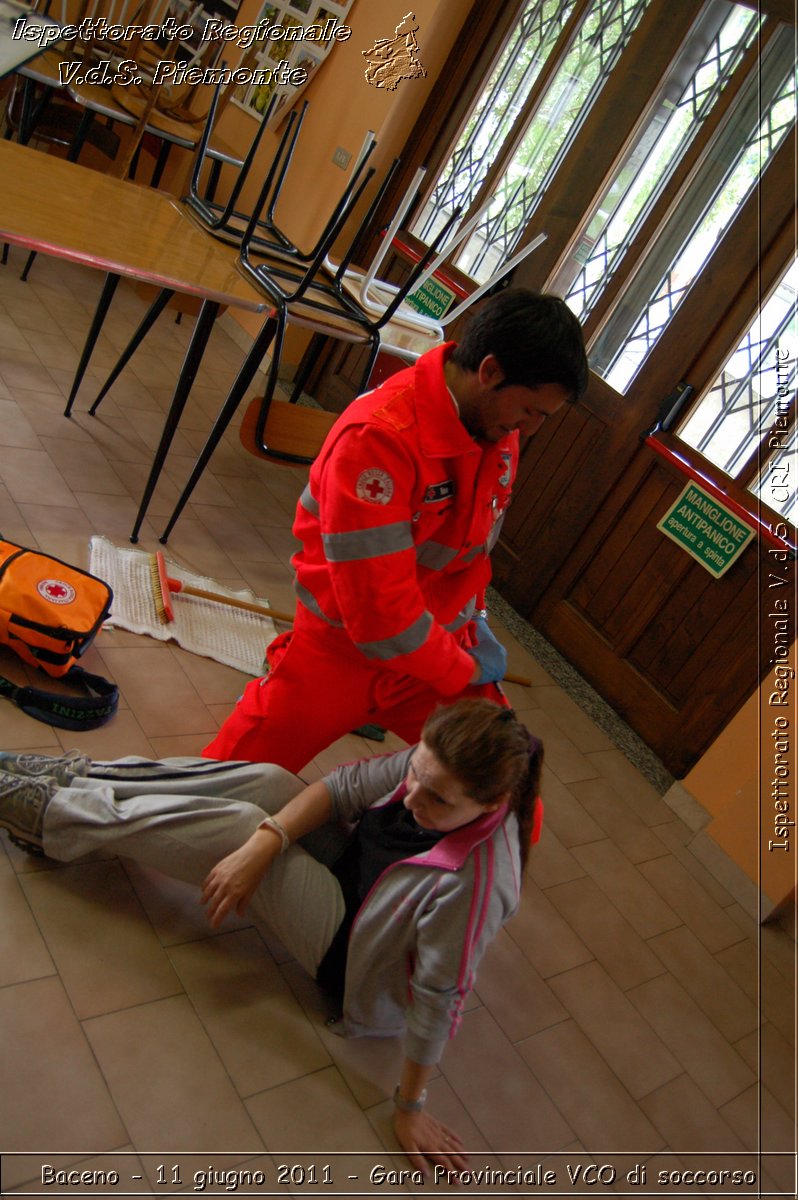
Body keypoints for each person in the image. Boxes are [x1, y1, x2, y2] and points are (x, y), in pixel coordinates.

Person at [0, 698, 543, 1174]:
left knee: (238, 827)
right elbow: (342, 787)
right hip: (354, 872)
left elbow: (438, 996)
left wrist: (410, 1107)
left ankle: (47, 812)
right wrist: (270, 841)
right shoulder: (437, 764)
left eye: (436, 799)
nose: (411, 796)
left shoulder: (480, 883)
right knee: (271, 785)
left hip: (352, 956)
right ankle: (75, 778)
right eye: (415, 774)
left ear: (491, 805)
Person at [202, 288, 587, 772]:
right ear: (489, 372)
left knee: (505, 790)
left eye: (542, 417)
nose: (529, 429)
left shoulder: (497, 427)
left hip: (438, 649)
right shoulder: (379, 439)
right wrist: (460, 668)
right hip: (342, 655)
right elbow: (378, 614)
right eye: (530, 411)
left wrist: (476, 617)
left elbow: (471, 550)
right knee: (222, 779)